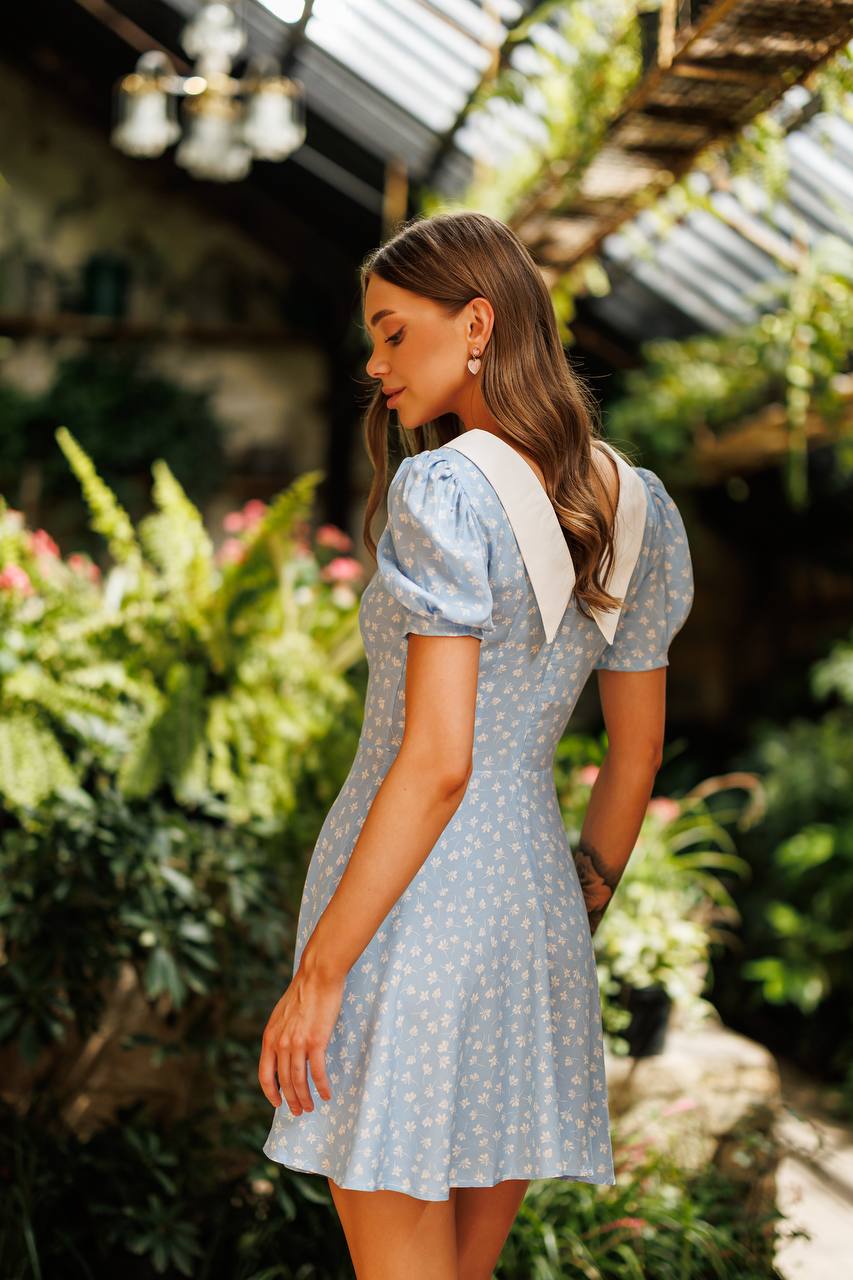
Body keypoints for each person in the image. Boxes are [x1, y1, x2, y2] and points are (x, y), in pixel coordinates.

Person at [258, 210, 694, 1279]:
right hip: (531, 914)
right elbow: (634, 756)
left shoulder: (443, 488)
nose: (374, 363)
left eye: (393, 332)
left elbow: (437, 760)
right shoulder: (637, 507)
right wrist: (579, 899)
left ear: (477, 324)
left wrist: (320, 971)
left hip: (405, 913)